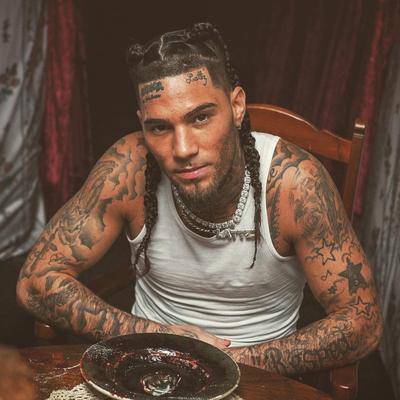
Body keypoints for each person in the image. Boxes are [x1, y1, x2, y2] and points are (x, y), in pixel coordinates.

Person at [16, 22, 382, 376]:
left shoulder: (293, 184)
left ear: (236, 106)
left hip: (257, 375)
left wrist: (229, 363)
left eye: (201, 118)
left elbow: (362, 322)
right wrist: (154, 338)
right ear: (142, 124)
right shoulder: (129, 167)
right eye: (160, 127)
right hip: (145, 361)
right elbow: (35, 281)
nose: (183, 149)